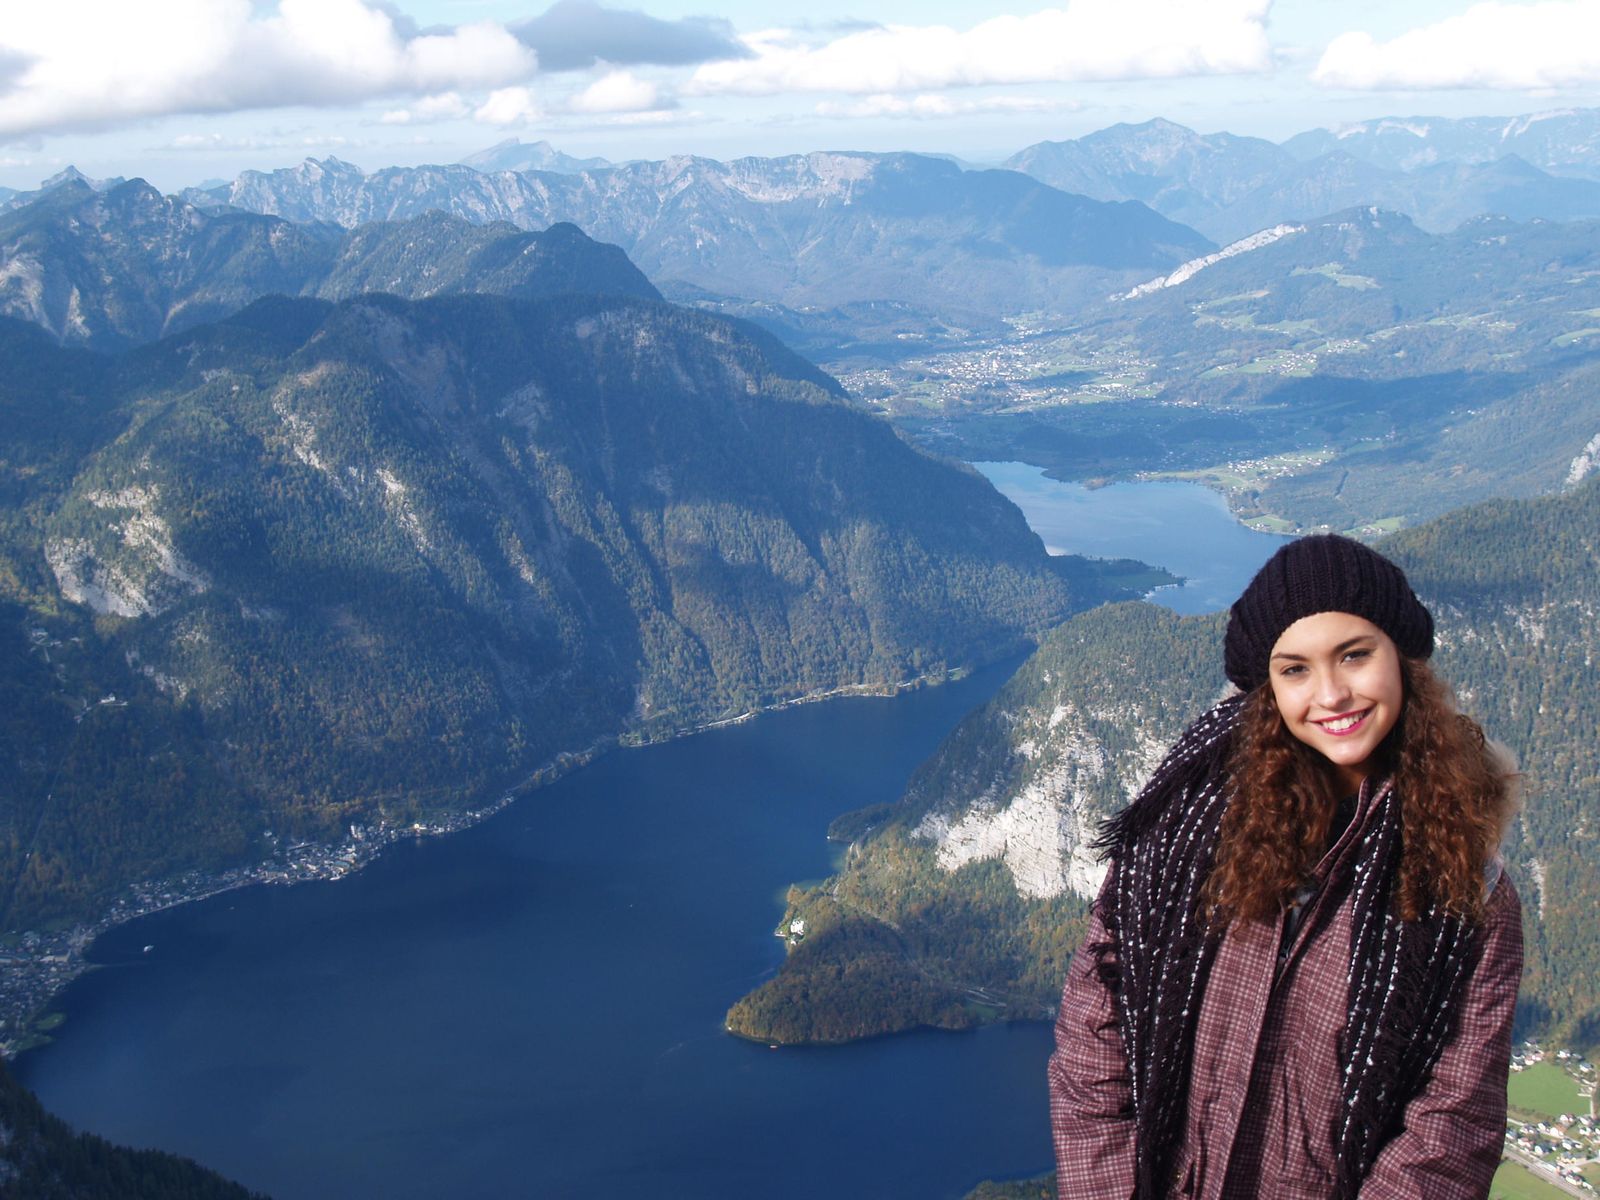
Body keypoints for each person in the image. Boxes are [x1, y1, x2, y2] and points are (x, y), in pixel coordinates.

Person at [1048, 533, 1522, 1200]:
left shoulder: (1465, 885)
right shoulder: (1187, 825)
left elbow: (1451, 1128)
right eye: (1295, 669)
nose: (1330, 693)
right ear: (1268, 687)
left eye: (1354, 655)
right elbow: (1097, 1019)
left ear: (1403, 660)